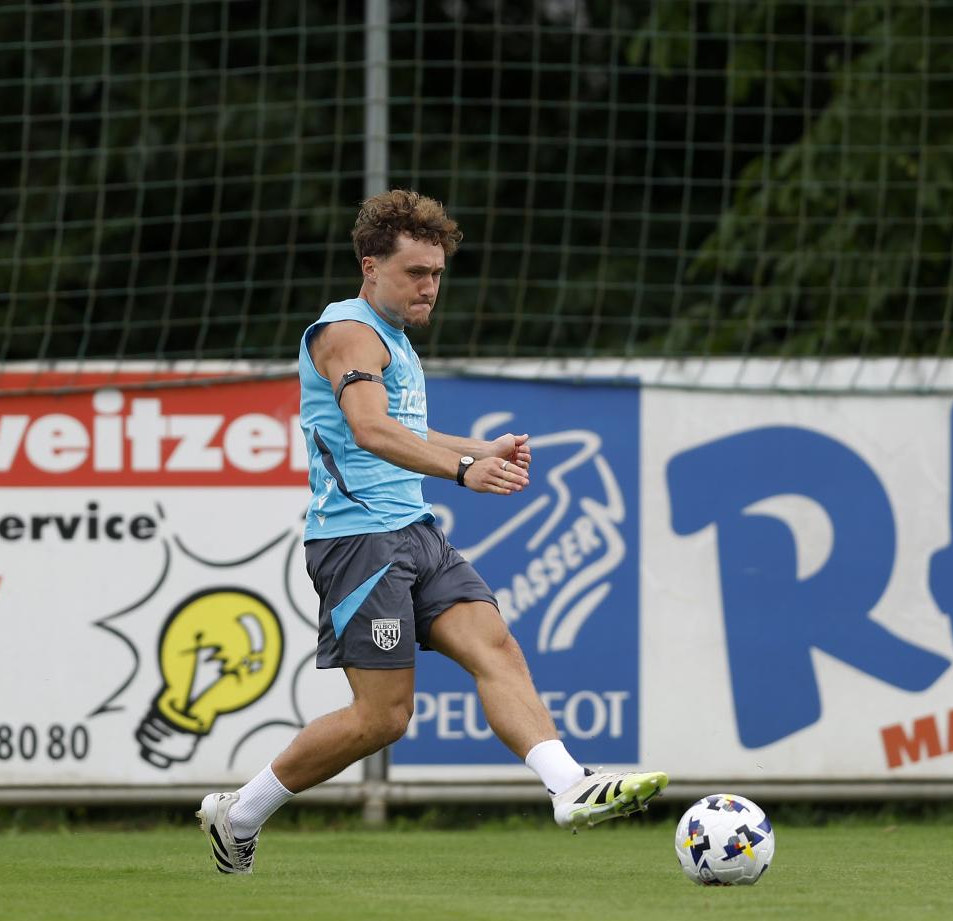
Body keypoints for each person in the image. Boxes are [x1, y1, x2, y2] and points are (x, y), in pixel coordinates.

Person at [197, 189, 667, 874]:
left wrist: (482, 449)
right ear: (370, 266)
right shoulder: (347, 332)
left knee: (496, 646)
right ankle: (238, 814)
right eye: (416, 273)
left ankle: (569, 785)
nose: (429, 286)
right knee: (383, 718)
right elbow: (371, 429)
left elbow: (406, 430)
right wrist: (461, 471)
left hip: (413, 532)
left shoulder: (396, 343)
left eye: (437, 274)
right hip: (357, 544)